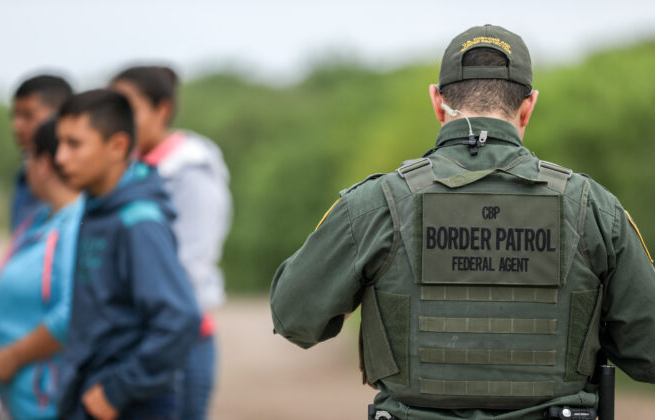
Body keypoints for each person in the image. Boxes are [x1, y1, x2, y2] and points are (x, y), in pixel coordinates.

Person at [270, 24, 655, 420]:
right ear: (528, 106)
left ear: (437, 102)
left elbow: (293, 317)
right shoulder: (594, 209)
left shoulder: (374, 206)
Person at [54, 89, 201, 420]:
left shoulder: (138, 220)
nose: (60, 157)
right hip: (88, 394)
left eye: (74, 144)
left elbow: (180, 317)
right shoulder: (95, 208)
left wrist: (119, 389)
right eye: (59, 143)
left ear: (117, 146)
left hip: (129, 405)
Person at [111, 65, 231, 420]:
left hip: (178, 346)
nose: (117, 120)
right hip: (136, 343)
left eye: (128, 109)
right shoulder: (132, 169)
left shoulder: (191, 172)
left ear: (161, 109)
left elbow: (192, 265)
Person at [0, 118, 84, 419]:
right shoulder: (38, 220)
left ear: (43, 163)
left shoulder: (77, 226)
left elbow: (72, 311)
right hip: (18, 401)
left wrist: (12, 357)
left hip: (50, 403)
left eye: (26, 156)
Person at [10, 75, 73, 231]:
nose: (17, 126)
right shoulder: (25, 175)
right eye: (14, 116)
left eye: (28, 116)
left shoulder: (79, 176)